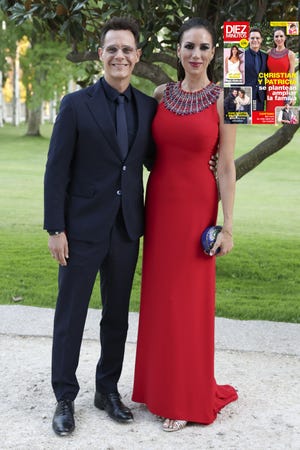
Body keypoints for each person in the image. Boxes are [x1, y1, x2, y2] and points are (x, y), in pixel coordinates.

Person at [44, 16, 158, 436]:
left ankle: (107, 390)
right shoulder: (75, 106)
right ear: (101, 55)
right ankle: (63, 397)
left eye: (127, 49)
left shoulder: (148, 107)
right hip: (79, 231)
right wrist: (55, 228)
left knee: (116, 317)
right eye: (112, 48)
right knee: (70, 314)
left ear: (138, 56)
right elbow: (56, 171)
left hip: (127, 228)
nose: (120, 56)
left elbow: (154, 164)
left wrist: (206, 165)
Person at [132, 17, 238, 432]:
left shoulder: (224, 98)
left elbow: (226, 167)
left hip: (197, 207)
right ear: (177, 51)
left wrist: (227, 227)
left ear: (214, 53)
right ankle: (156, 388)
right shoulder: (161, 94)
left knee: (189, 300)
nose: (196, 54)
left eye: (204, 47)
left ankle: (183, 395)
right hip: (159, 205)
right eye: (189, 46)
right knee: (160, 297)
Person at [266, 27, 296, 112]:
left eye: (281, 36)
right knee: (270, 115)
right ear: (274, 38)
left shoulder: (290, 54)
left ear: (285, 38)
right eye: (276, 36)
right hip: (270, 89)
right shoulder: (269, 52)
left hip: (283, 89)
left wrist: (292, 94)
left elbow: (292, 76)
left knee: (282, 116)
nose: (279, 39)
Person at [244, 27, 268, 111]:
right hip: (245, 96)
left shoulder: (265, 57)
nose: (255, 40)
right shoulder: (241, 56)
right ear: (248, 39)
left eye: (257, 38)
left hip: (260, 96)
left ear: (261, 40)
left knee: (257, 122)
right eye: (252, 38)